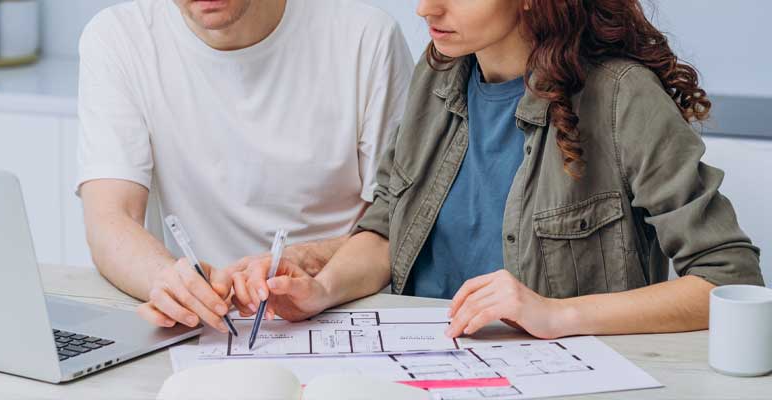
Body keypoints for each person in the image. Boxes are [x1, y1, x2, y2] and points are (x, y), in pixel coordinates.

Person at [231, 0, 765, 339]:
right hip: (416, 365)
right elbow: (389, 228)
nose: (425, 8)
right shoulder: (437, 73)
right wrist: (319, 290)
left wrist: (557, 315)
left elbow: (726, 283)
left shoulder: (622, 98)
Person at [76, 0, 413, 333]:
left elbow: (396, 229)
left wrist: (307, 263)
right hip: (204, 327)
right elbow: (110, 219)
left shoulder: (366, 38)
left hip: (341, 313)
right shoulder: (119, 38)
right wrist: (167, 280)